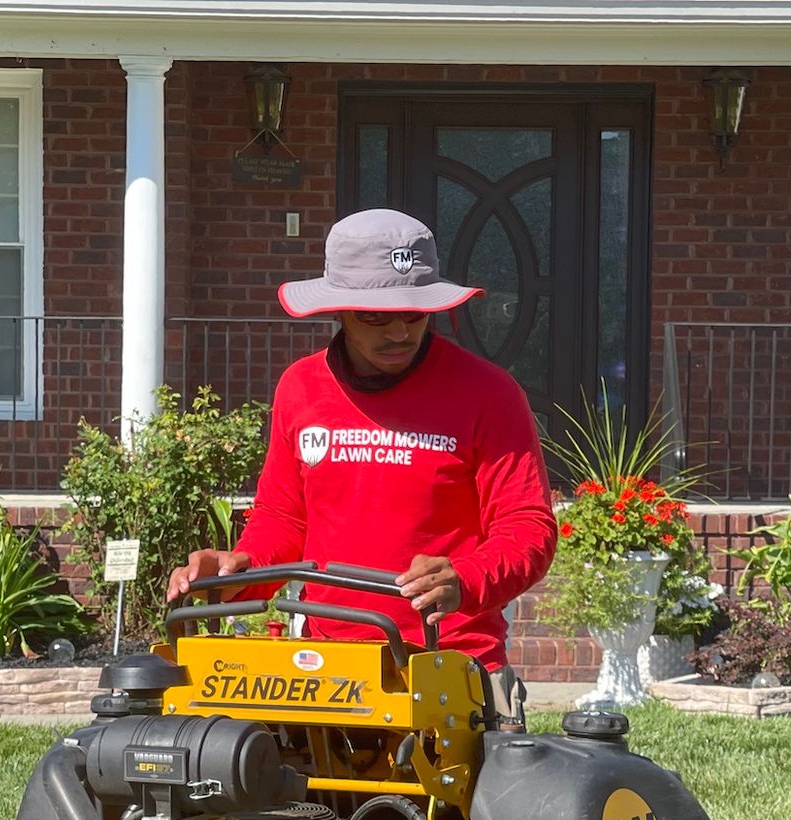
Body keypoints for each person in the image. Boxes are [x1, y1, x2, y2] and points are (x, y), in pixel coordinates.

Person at [165, 208, 556, 725]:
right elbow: (284, 519)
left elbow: (528, 528)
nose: (399, 332)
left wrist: (465, 577)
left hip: (454, 668)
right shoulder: (300, 387)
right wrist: (239, 572)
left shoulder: (489, 394)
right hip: (328, 671)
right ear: (339, 311)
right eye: (375, 316)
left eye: (414, 314)